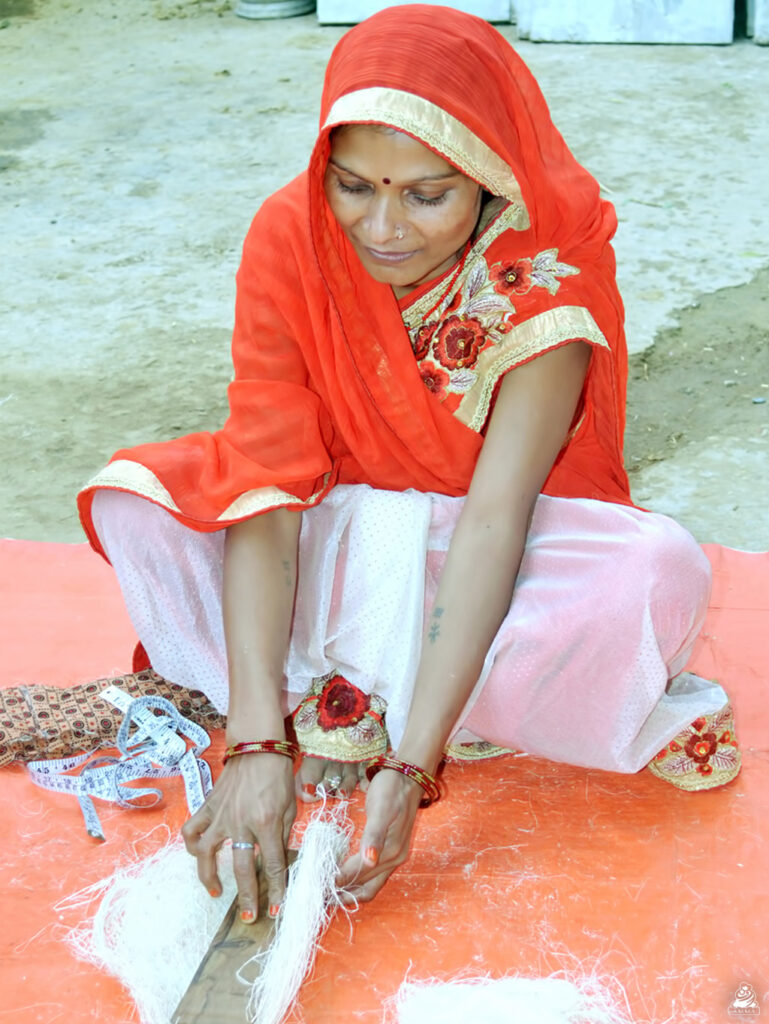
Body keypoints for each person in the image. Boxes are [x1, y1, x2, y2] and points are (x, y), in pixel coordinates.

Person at [68, 5, 740, 920]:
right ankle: (340, 698)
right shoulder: (290, 233)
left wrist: (408, 767)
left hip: (476, 552)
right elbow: (268, 482)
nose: (381, 227)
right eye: (351, 186)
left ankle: (374, 700)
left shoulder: (545, 277)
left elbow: (498, 522)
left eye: (426, 195)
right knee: (146, 509)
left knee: (651, 571)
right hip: (328, 522)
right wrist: (257, 748)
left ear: (490, 176)